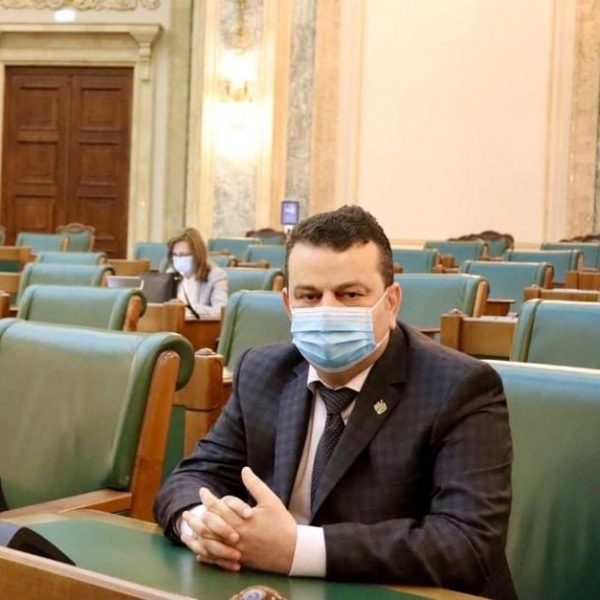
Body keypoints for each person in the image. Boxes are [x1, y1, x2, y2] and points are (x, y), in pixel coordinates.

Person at [155, 206, 515, 599]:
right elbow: (191, 478)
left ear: (392, 302)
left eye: (350, 294)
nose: (328, 311)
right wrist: (201, 523)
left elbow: (466, 543)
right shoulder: (261, 371)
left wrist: (297, 549)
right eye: (309, 296)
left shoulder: (459, 386)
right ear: (288, 305)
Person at [166, 227, 228, 318]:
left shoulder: (216, 276)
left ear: (197, 254)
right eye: (175, 255)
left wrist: (188, 307)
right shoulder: (170, 274)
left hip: (198, 325)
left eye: (183, 255)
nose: (178, 259)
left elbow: (220, 311)